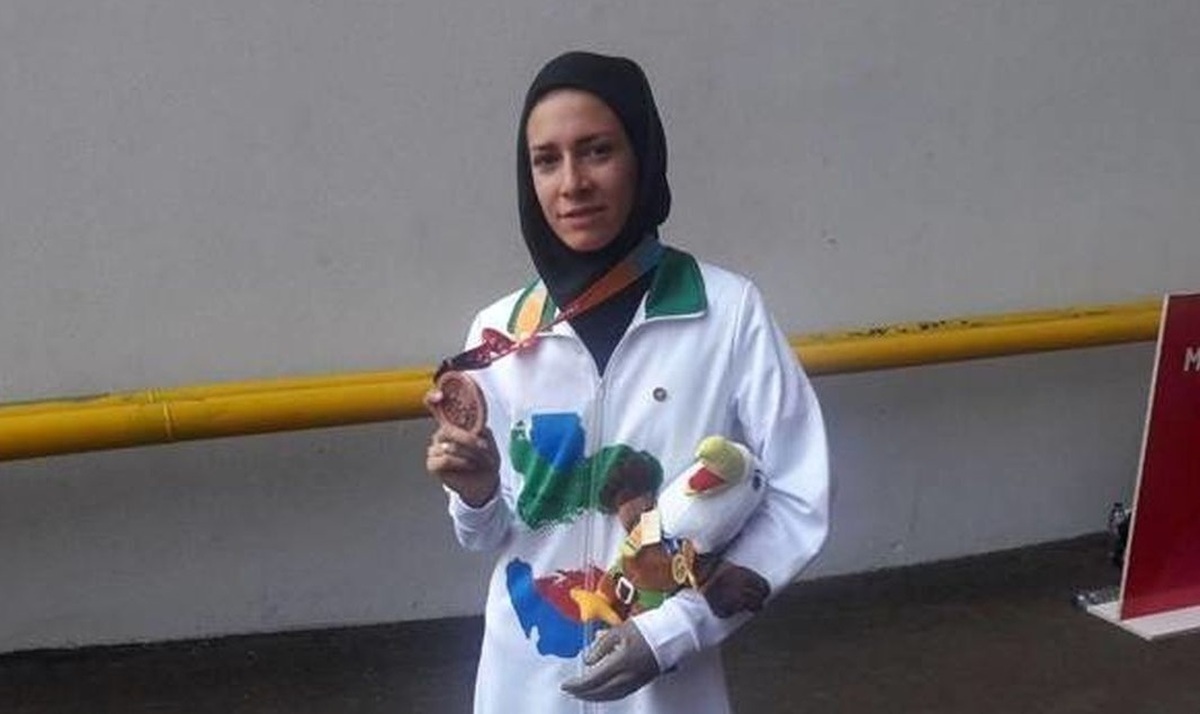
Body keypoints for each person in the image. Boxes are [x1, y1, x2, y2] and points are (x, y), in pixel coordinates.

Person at [424, 50, 829, 713]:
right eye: (546, 160)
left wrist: (675, 629)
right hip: (525, 687)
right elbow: (487, 535)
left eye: (597, 151)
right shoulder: (499, 334)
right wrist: (474, 495)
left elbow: (796, 497)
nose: (572, 182)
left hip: (668, 690)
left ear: (643, 156)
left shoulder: (726, 313)